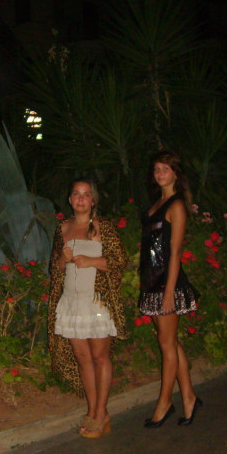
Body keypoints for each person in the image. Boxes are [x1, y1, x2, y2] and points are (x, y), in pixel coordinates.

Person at [47, 178, 128, 438]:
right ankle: (92, 410)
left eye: (86, 194)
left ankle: (102, 413)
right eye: (76, 194)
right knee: (82, 358)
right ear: (70, 199)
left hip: (96, 302)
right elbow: (56, 269)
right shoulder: (63, 228)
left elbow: (119, 262)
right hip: (71, 302)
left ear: (93, 200)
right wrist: (63, 259)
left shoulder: (102, 227)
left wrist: (91, 261)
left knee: (100, 357)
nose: (81, 198)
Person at [139, 151, 202, 428]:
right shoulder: (158, 203)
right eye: (156, 169)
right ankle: (188, 397)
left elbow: (175, 253)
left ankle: (164, 403)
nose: (160, 173)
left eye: (165, 168)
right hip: (152, 281)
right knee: (171, 342)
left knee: (167, 345)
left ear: (176, 173)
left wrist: (168, 293)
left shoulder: (176, 205)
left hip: (167, 283)